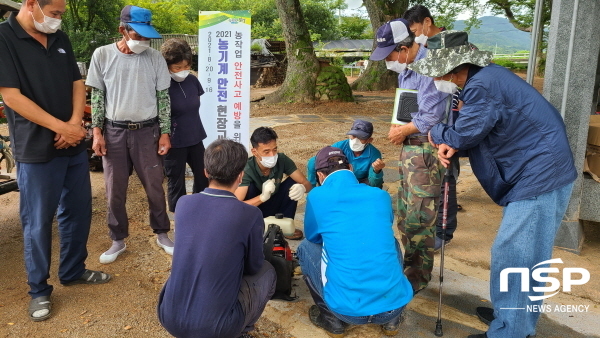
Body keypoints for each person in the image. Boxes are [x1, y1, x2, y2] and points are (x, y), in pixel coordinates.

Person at [410, 30, 577, 338]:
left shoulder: (483, 86)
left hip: (538, 174)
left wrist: (438, 135)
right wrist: (453, 141)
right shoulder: (483, 79)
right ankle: (511, 317)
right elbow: (474, 131)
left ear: (452, 68)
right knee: (523, 255)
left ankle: (511, 331)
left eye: (435, 73)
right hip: (534, 168)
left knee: (516, 256)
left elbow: (464, 134)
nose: (434, 79)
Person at [0, 0, 111, 322]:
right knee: (37, 222)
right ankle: (38, 290)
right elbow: (11, 95)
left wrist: (75, 125)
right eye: (55, 14)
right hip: (36, 150)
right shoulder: (5, 38)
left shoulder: (58, 38)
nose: (58, 21)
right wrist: (61, 127)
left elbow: (77, 83)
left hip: (72, 146)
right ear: (32, 4)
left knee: (78, 212)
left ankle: (73, 270)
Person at [157, 139, 276, 338]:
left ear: (205, 172)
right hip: (218, 328)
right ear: (240, 176)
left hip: (168, 317)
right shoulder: (249, 214)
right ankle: (241, 330)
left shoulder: (184, 203)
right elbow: (253, 267)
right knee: (268, 271)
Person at [86, 5, 173, 263]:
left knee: (155, 186)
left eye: (147, 36)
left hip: (148, 131)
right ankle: (117, 239)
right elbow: (98, 97)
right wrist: (97, 133)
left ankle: (162, 233)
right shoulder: (102, 55)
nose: (143, 41)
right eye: (138, 35)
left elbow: (163, 99)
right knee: (114, 189)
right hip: (114, 132)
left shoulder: (155, 59)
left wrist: (165, 133)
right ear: (122, 30)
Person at [297, 146, 413, 338]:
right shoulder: (380, 195)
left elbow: (313, 237)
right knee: (389, 241)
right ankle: (392, 321)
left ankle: (332, 321)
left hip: (346, 311)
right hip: (392, 308)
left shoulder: (317, 196)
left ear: (320, 176)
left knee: (305, 247)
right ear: (350, 167)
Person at [370, 18, 450, 294]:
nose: (389, 60)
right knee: (404, 214)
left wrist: (403, 129)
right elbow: (408, 104)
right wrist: (399, 126)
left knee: (419, 217)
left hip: (427, 150)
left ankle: (416, 279)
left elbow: (431, 116)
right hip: (410, 148)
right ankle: (408, 268)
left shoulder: (430, 67)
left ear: (405, 47)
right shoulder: (406, 67)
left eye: (391, 54)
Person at [403, 4, 469, 251]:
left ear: (427, 23)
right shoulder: (423, 53)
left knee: (447, 179)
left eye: (415, 29)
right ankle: (436, 224)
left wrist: (454, 128)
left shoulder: (453, 44)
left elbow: (462, 93)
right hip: (436, 130)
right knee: (438, 180)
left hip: (452, 125)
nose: (415, 34)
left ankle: (444, 231)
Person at [234, 127, 312, 240]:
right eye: (266, 151)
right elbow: (236, 207)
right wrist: (262, 197)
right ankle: (253, 227)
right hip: (255, 209)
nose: (272, 155)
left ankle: (284, 227)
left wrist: (302, 188)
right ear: (254, 152)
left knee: (293, 183)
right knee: (250, 188)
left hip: (276, 206)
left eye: (274, 150)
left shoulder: (282, 160)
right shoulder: (247, 169)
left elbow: (307, 184)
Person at [160, 38, 208, 213]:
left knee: (204, 174)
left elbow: (193, 106)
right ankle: (179, 213)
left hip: (195, 136)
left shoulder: (192, 81)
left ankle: (199, 207)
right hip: (174, 141)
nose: (182, 71)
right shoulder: (162, 84)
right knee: (176, 179)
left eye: (186, 66)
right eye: (177, 67)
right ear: (167, 65)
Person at [306, 119, 385, 188]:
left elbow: (374, 185)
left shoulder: (374, 154)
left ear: (369, 140)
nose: (355, 141)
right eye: (353, 136)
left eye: (361, 138)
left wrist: (376, 171)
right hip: (340, 181)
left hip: (359, 184)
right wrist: (312, 189)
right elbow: (314, 161)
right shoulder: (339, 147)